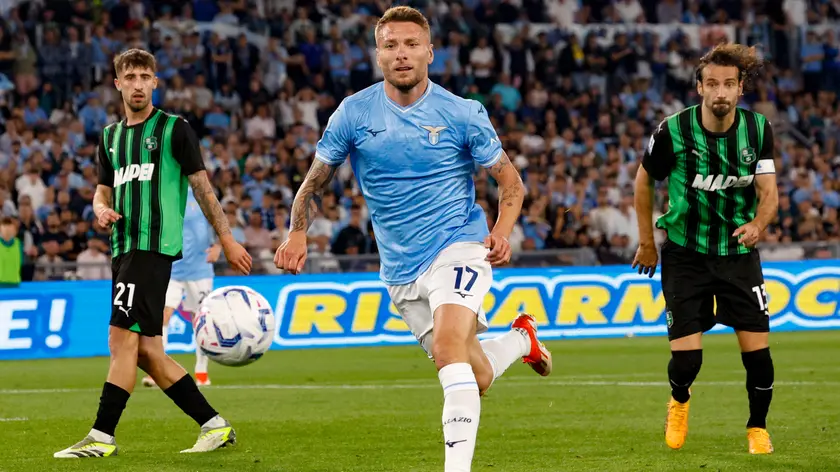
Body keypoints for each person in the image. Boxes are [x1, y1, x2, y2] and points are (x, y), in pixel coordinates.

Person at [275, 7, 552, 472]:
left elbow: (511, 183)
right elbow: (314, 182)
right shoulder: (353, 113)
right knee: (475, 374)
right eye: (390, 45)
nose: (401, 54)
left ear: (429, 52)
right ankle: (523, 341)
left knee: (448, 350)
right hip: (400, 267)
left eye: (410, 45)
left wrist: (501, 234)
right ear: (377, 54)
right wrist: (297, 231)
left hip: (459, 244)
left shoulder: (462, 113)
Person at [54, 49, 252, 459]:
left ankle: (101, 436)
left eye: (146, 76)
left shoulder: (174, 129)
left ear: (155, 82)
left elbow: (203, 189)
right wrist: (100, 210)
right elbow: (102, 190)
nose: (139, 83)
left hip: (151, 246)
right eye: (131, 77)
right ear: (118, 84)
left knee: (120, 339)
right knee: (146, 351)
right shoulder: (109, 138)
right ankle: (214, 426)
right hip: (121, 247)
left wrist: (228, 239)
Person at [633, 43, 778, 455]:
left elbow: (769, 193)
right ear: (699, 87)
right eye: (712, 83)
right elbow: (643, 182)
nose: (720, 92)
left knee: (759, 358)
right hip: (685, 255)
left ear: (740, 89)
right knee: (687, 362)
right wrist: (647, 242)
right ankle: (679, 402)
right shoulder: (672, 131)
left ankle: (757, 428)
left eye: (728, 84)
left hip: (738, 256)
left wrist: (758, 223)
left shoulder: (758, 130)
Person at [142, 186, 218, 388]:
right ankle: (157, 370)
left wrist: (219, 245)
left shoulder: (201, 195)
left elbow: (219, 219)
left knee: (200, 320)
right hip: (172, 267)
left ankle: (201, 372)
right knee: (162, 315)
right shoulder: (162, 194)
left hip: (200, 268)